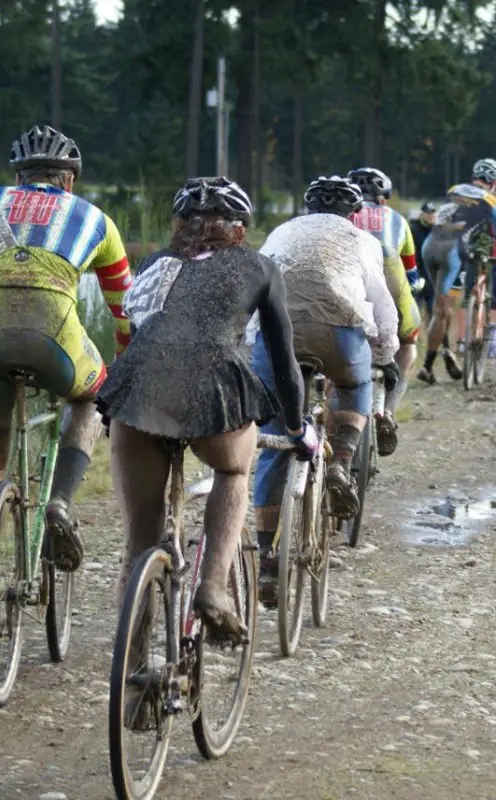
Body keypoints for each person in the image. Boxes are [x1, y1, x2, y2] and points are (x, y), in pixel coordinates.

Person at [95, 177, 312, 640]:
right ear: (239, 228)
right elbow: (283, 362)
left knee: (139, 544)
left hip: (139, 388)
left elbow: (141, 328)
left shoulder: (155, 262)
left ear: (179, 226)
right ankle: (213, 584)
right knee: (233, 473)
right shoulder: (260, 267)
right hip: (212, 383)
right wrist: (296, 428)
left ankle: (132, 683)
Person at [0, 125, 133, 598]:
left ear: (17, 177)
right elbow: (124, 312)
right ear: (69, 180)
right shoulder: (95, 219)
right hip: (53, 331)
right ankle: (58, 502)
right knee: (92, 394)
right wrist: (123, 368)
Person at [248, 176, 398, 602]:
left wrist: (250, 348)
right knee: (356, 383)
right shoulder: (362, 239)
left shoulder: (280, 233)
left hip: (276, 338)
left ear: (307, 209)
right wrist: (384, 356)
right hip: (338, 332)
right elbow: (384, 311)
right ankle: (342, 461)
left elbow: (253, 294)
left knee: (276, 442)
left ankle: (267, 565)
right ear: (355, 213)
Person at [419, 158, 496, 384]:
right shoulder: (491, 200)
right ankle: (427, 366)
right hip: (453, 253)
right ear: (492, 181)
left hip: (429, 247)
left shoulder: (455, 190)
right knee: (443, 310)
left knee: (442, 308)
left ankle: (446, 351)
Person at [347, 167, 421, 446]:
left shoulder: (340, 216)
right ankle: (388, 409)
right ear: (384, 198)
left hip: (348, 289)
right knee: (409, 341)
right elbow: (411, 273)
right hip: (391, 286)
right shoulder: (398, 220)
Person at [410, 202, 437, 319]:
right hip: (418, 275)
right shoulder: (413, 230)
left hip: (432, 277)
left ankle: (435, 337)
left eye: (432, 213)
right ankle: (416, 336)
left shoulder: (436, 231)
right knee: (415, 313)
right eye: (427, 213)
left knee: (433, 312)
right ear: (422, 214)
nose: (430, 216)